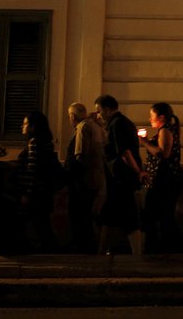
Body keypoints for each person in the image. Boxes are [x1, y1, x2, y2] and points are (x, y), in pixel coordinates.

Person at [96, 94, 144, 256]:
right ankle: (102, 251)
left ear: (107, 110)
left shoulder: (117, 125)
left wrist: (138, 172)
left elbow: (125, 153)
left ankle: (137, 254)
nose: (98, 115)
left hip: (121, 179)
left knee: (128, 217)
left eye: (99, 111)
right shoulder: (124, 123)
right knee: (109, 215)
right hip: (119, 179)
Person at [139, 102, 183, 253]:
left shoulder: (165, 131)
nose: (150, 119)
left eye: (152, 116)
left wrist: (145, 143)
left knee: (159, 214)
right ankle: (168, 246)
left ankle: (164, 247)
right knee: (163, 214)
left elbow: (163, 153)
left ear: (161, 117)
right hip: (163, 178)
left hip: (164, 180)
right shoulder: (167, 130)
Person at [66, 102, 106, 253]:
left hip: (83, 182)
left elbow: (81, 155)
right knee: (89, 217)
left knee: (80, 217)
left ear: (72, 116)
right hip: (96, 179)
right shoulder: (96, 126)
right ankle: (89, 246)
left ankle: (82, 248)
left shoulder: (83, 127)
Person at [17, 111, 59, 252]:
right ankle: (49, 249)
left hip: (35, 192)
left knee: (38, 223)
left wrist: (26, 193)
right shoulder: (46, 143)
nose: (22, 126)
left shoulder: (34, 143)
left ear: (33, 127)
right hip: (44, 191)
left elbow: (32, 168)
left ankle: (47, 250)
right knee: (42, 223)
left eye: (25, 124)